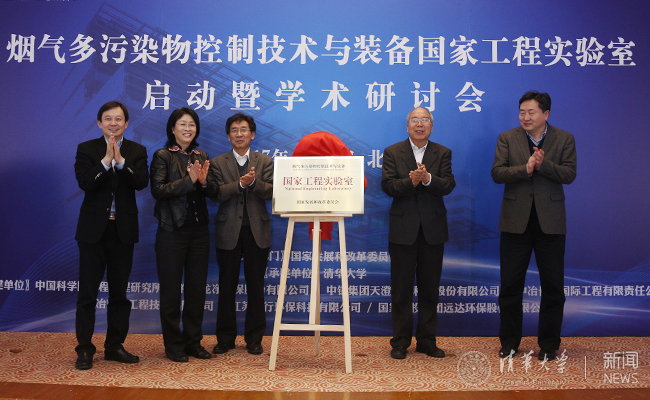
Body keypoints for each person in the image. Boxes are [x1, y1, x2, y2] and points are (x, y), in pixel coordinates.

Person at [491, 91, 577, 361]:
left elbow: (569, 174)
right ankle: (509, 342)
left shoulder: (564, 138)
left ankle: (549, 344)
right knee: (510, 286)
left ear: (546, 114)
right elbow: (497, 173)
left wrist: (543, 165)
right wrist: (525, 169)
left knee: (553, 287)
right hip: (515, 222)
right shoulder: (507, 138)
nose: (525, 117)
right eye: (522, 112)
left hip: (550, 223)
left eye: (531, 112)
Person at [73, 101, 149, 370]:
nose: (113, 123)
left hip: (122, 231)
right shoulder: (87, 149)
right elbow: (85, 183)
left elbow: (141, 182)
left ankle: (114, 346)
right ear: (99, 123)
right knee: (87, 294)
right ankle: (84, 349)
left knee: (119, 294)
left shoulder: (137, 151)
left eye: (118, 119)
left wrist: (122, 162)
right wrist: (106, 161)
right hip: (93, 231)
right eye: (108, 119)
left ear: (126, 123)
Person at [381, 107, 456, 360]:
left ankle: (426, 341)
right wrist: (411, 182)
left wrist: (427, 178)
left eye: (425, 120)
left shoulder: (442, 152)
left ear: (431, 126)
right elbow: (388, 185)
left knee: (429, 290)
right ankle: (400, 342)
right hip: (403, 230)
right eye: (415, 119)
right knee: (401, 289)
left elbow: (448, 184)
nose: (420, 124)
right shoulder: (393, 151)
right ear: (408, 126)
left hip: (432, 230)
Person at [150, 108, 219, 362]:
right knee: (170, 291)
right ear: (172, 128)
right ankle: (173, 344)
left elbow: (213, 193)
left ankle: (193, 342)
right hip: (171, 231)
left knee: (196, 290)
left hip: (199, 232)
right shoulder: (162, 156)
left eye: (192, 124)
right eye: (182, 124)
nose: (187, 128)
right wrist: (189, 181)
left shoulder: (202, 156)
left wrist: (204, 182)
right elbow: (158, 190)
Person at [207, 113, 273, 355]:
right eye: (234, 130)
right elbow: (215, 194)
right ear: (228, 136)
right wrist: (240, 185)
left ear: (252, 134)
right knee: (227, 286)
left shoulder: (264, 161)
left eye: (243, 129)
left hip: (257, 231)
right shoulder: (217, 163)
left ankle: (254, 339)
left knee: (256, 285)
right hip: (228, 230)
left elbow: (272, 191)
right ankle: (225, 338)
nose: (239, 134)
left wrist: (253, 183)